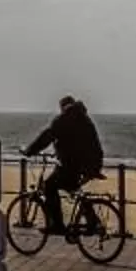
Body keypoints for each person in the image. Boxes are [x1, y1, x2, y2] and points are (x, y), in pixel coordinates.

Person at [23, 96, 106, 240]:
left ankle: (57, 225)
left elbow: (47, 136)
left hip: (72, 165)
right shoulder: (85, 119)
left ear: (63, 107)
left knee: (49, 186)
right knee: (72, 188)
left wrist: (30, 151)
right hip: (90, 164)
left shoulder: (63, 119)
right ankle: (93, 221)